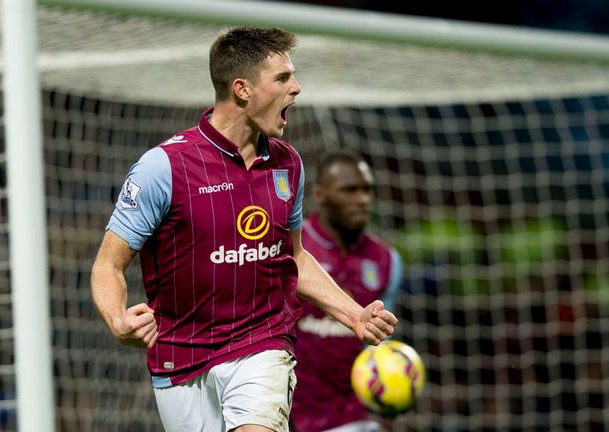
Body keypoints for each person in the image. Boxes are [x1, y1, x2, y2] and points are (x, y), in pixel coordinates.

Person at [90, 26, 398, 432]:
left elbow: (294, 257)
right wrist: (117, 320)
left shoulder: (288, 165)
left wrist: (353, 314)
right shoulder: (163, 167)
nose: (297, 88)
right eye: (283, 78)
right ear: (242, 89)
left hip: (262, 344)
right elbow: (108, 266)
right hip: (180, 356)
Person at [290, 150, 404, 432]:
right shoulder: (291, 250)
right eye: (349, 190)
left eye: (366, 190)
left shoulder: (386, 260)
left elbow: (378, 345)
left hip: (356, 416)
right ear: (321, 194)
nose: (362, 199)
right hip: (290, 412)